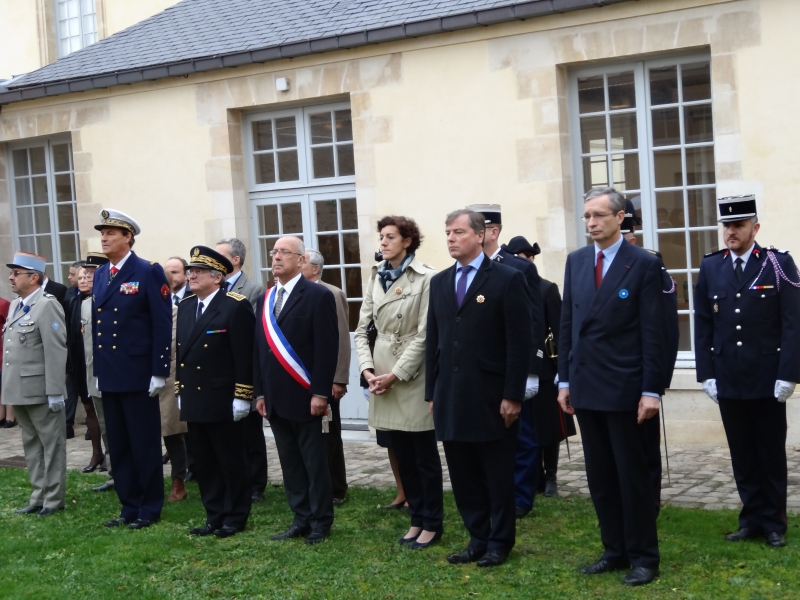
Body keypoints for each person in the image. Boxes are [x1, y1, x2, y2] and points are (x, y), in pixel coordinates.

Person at [557, 187, 666, 587]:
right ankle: (613, 549)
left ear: (621, 218)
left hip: (626, 389)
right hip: (586, 386)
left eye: (599, 215)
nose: (591, 223)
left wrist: (652, 390)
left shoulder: (643, 264)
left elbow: (655, 334)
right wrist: (564, 380)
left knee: (633, 477)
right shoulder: (577, 261)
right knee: (600, 477)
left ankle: (643, 557)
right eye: (587, 216)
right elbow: (568, 324)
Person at [426, 209, 533, 567]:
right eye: (447, 233)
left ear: (479, 235)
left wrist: (513, 394)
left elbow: (520, 341)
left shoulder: (506, 278)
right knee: (463, 473)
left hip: (491, 395)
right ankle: (477, 537)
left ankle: (499, 542)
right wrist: (432, 392)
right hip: (451, 395)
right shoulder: (440, 282)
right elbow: (434, 341)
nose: (451, 239)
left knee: (496, 473)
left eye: (458, 232)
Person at [694, 194, 800, 548]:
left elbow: (792, 323)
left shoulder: (778, 264)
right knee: (742, 452)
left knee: (769, 452)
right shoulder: (711, 267)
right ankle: (751, 517)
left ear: (755, 228)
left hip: (768, 376)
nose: (731, 232)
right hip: (728, 376)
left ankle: (773, 523)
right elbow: (704, 324)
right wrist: (705, 372)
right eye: (727, 225)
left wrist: (789, 373)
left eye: (738, 225)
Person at [355, 216, 443, 550]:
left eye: (390, 236)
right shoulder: (376, 276)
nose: (383, 242)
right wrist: (367, 371)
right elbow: (362, 329)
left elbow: (425, 335)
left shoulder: (427, 278)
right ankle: (416, 517)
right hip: (380, 374)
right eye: (381, 237)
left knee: (423, 456)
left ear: (407, 241)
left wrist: (396, 374)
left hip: (411, 375)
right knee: (400, 453)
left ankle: (432, 522)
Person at [254, 236, 338, 545]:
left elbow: (327, 349)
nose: (276, 257)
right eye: (274, 252)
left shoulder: (317, 296)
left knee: (314, 463)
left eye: (284, 253)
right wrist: (259, 393)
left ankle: (321, 521)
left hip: (305, 396)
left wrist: (320, 393)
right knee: (290, 462)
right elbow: (260, 350)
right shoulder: (267, 298)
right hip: (275, 398)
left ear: (301, 261)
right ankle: (300, 517)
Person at [92, 209, 172, 530]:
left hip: (139, 372)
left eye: (111, 233)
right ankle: (128, 505)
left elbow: (161, 323)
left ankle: (149, 506)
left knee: (144, 442)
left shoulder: (147, 271)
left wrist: (159, 370)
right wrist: (99, 369)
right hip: (111, 371)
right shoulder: (100, 273)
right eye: (102, 232)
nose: (104, 237)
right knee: (120, 444)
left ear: (128, 237)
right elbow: (100, 326)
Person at [467, 204, 544, 519]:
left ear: (493, 231)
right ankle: (490, 493)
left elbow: (533, 323)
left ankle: (521, 497)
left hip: (511, 367)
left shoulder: (519, 269)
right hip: (478, 370)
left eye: (474, 227)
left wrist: (529, 371)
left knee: (521, 434)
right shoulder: (465, 268)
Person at [177, 246, 256, 538]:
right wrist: (179, 388)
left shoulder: (235, 305)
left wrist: (243, 395)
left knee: (230, 460)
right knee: (205, 461)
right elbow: (180, 351)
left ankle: (235, 516)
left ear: (217, 276)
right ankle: (214, 515)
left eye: (197, 271)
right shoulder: (186, 306)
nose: (191, 275)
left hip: (224, 397)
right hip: (195, 397)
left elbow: (245, 355)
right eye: (190, 270)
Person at [504, 235, 576, 498]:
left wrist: (561, 369)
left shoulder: (546, 288)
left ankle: (551, 476)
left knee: (548, 426)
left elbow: (557, 329)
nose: (525, 261)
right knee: (522, 428)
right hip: (514, 369)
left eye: (528, 257)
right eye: (520, 257)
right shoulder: (503, 284)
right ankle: (530, 476)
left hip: (544, 369)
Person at [620, 206, 680, 515]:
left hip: (643, 372)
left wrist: (658, 381)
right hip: (612, 373)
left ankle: (650, 501)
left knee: (644, 444)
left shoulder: (651, 263)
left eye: (628, 238)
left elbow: (665, 327)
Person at [3, 251, 68, 517]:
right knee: (31, 445)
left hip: (41, 390)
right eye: (12, 272)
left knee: (51, 446)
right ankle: (38, 496)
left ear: (34, 277)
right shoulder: (18, 305)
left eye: (16, 273)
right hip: (19, 390)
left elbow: (55, 350)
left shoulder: (47, 304)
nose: (11, 277)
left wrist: (55, 391)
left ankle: (53, 499)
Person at [216, 237, 268, 501]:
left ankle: (257, 483)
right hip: (219, 371)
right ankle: (234, 478)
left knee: (250, 431)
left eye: (220, 256)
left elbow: (252, 333)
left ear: (235, 260)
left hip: (244, 368)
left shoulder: (254, 290)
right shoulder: (214, 288)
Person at [302, 248, 351, 507]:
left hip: (327, 383)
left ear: (315, 269)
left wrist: (339, 378)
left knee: (328, 432)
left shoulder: (332, 293)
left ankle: (335, 488)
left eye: (304, 262)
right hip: (302, 381)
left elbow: (342, 338)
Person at [76, 254, 116, 493]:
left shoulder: (116, 300)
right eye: (86, 273)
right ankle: (114, 474)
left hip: (116, 378)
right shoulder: (85, 303)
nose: (88, 277)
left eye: (92, 272)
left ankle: (130, 474)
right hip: (95, 378)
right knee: (106, 429)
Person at [67, 260, 107, 473]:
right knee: (90, 408)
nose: (83, 280)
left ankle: (110, 455)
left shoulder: (101, 300)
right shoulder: (74, 302)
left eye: (88, 277)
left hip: (99, 363)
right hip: (81, 364)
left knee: (105, 411)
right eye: (80, 277)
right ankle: (96, 452)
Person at [160, 268, 189, 503]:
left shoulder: (177, 311)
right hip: (143, 378)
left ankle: (178, 480)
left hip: (170, 377)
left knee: (172, 430)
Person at [0, 294, 14, 428]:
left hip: (2, 348)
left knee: (7, 382)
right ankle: (1, 415)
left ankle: (10, 416)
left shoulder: (4, 304)